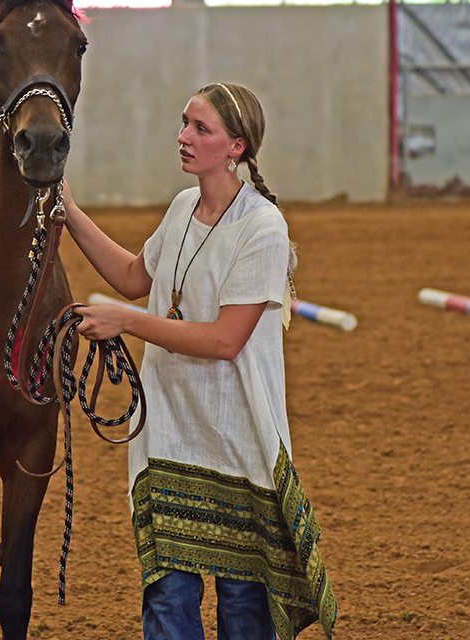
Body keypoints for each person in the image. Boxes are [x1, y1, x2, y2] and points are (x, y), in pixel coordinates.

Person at [61, 83, 337, 640]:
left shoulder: (264, 228)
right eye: (185, 123)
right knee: (166, 603)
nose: (183, 137)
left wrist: (126, 321)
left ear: (236, 146)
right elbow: (136, 277)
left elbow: (224, 340)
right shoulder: (184, 206)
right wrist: (67, 212)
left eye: (200, 129)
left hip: (238, 443)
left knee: (243, 613)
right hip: (166, 433)